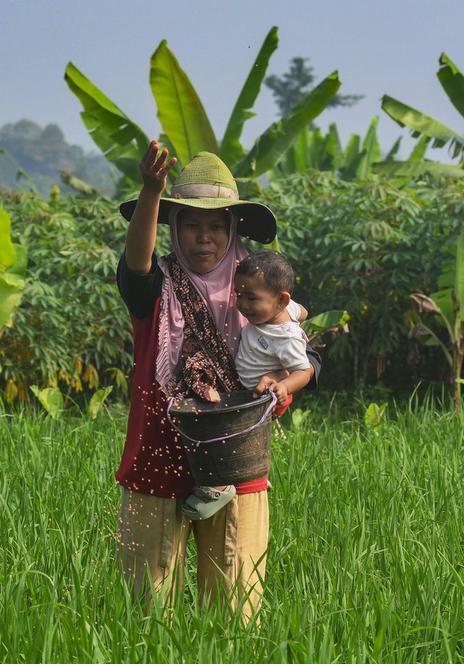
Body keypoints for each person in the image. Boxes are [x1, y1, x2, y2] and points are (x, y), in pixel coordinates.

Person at [114, 141, 319, 623]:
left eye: (214, 226)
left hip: (237, 459)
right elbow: (135, 267)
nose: (202, 238)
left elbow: (301, 359)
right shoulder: (157, 286)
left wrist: (278, 382)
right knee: (145, 610)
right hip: (158, 454)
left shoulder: (262, 293)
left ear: (230, 230)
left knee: (235, 610)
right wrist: (151, 191)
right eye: (190, 225)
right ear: (173, 229)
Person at [181, 250, 313, 521]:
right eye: (239, 295)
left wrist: (285, 386)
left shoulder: (284, 337)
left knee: (231, 439)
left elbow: (304, 371)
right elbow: (303, 311)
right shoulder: (286, 309)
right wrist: (295, 314)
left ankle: (220, 487)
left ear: (280, 299)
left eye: (252, 299)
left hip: (257, 395)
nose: (243, 305)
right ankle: (254, 473)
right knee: (250, 439)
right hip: (250, 388)